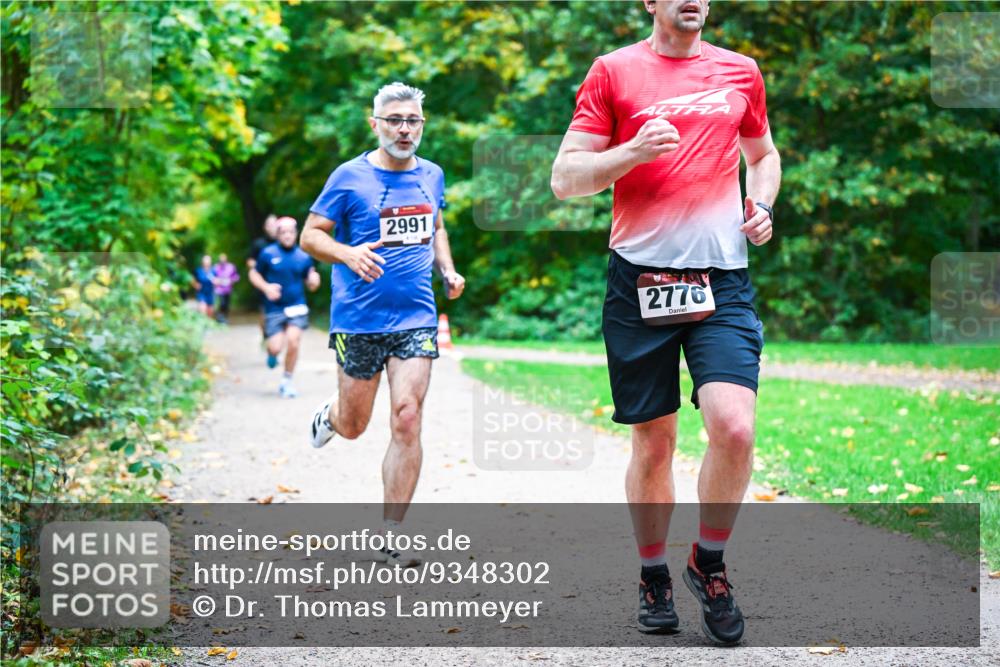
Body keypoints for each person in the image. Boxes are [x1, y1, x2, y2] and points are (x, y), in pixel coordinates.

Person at [551, 0, 780, 644]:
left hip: (721, 281)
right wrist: (629, 151)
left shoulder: (740, 72)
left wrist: (759, 203)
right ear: (649, 1)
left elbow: (762, 156)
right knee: (654, 443)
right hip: (641, 282)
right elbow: (566, 179)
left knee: (734, 427)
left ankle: (708, 563)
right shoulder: (614, 72)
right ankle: (653, 572)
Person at [301, 82, 465, 568]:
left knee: (407, 416)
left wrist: (448, 270)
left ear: (421, 125)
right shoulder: (349, 177)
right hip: (359, 317)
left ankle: (392, 532)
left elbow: (436, 226)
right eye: (394, 119)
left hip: (416, 315)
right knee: (354, 425)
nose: (404, 128)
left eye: (412, 120)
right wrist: (347, 253)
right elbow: (312, 234)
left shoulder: (432, 175)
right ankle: (331, 415)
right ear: (375, 124)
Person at [247, 216, 321, 398]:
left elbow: (311, 281)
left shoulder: (303, 256)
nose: (287, 236)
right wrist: (266, 288)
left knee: (294, 341)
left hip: (297, 306)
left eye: (291, 232)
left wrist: (314, 281)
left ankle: (287, 381)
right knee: (275, 347)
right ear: (278, 234)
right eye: (283, 232)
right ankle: (271, 353)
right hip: (274, 308)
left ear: (296, 234)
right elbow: (254, 274)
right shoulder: (267, 253)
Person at [247, 214, 280, 339]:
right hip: (263, 283)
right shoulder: (258, 244)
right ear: (265, 227)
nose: (272, 228)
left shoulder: (283, 243)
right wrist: (260, 266)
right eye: (269, 225)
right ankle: (266, 335)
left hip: (282, 283)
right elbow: (250, 261)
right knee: (265, 312)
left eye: (274, 224)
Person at [211, 253, 240, 324]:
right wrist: (216, 280)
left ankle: (225, 317)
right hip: (219, 290)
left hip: (228, 289)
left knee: (227, 304)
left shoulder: (231, 267)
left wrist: (232, 280)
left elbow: (236, 276)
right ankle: (220, 317)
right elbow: (211, 277)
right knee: (222, 303)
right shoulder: (216, 267)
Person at [193, 254, 216, 319]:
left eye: (208, 260)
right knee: (203, 308)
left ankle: (209, 324)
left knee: (210, 311)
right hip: (201, 292)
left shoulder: (213, 270)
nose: (207, 261)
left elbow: (217, 280)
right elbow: (193, 280)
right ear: (202, 261)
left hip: (210, 292)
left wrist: (215, 282)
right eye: (205, 259)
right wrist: (196, 285)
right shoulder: (198, 270)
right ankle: (203, 323)